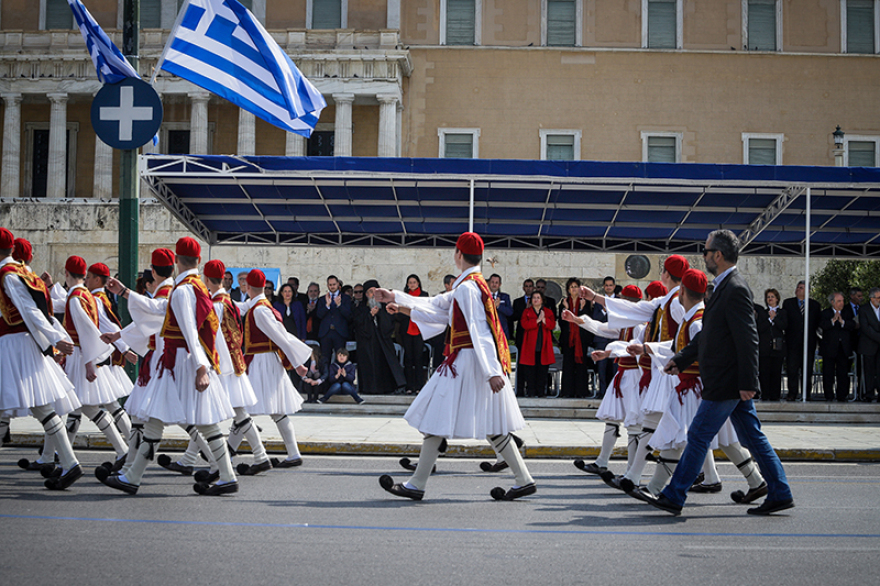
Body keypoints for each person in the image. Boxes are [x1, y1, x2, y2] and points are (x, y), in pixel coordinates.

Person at [640, 229, 794, 516]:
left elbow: (748, 339)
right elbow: (709, 336)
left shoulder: (735, 289)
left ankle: (674, 495)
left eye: (706, 251)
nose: (704, 256)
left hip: (728, 382)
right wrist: (682, 358)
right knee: (753, 438)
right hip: (729, 381)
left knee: (698, 435)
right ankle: (780, 491)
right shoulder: (723, 287)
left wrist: (749, 382)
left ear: (718, 256)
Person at [376, 232, 535, 501]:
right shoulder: (472, 284)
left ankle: (416, 484)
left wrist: (492, 372)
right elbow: (440, 308)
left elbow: (478, 329)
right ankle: (523, 480)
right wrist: (398, 301)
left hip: (467, 361)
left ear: (458, 254)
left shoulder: (467, 288)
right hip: (470, 361)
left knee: (436, 415)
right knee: (491, 424)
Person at [96, 238, 239, 496]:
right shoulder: (194, 286)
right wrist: (126, 293)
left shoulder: (184, 289)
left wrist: (200, 367)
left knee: (163, 419)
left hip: (180, 362)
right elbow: (161, 308)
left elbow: (188, 329)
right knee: (188, 421)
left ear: (176, 259)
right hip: (184, 361)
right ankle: (226, 476)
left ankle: (132, 476)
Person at [584, 255, 689, 489]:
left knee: (680, 430)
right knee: (663, 427)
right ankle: (638, 478)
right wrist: (596, 298)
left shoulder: (675, 302)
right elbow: (633, 308)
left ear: (666, 275)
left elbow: (685, 340)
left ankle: (645, 479)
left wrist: (647, 348)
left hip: (671, 372)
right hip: (663, 371)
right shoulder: (664, 301)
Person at [0, 228, 84, 490]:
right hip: (22, 343)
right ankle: (70, 463)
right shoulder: (25, 273)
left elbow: (30, 310)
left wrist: (54, 338)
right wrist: (54, 336)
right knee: (42, 408)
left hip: (15, 345)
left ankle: (71, 463)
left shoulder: (9, 276)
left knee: (42, 407)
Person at [565, 284, 644, 478]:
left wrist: (609, 352)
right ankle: (602, 462)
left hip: (635, 376)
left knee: (634, 425)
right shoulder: (626, 322)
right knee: (612, 417)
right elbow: (603, 329)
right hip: (624, 375)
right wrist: (578, 320)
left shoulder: (640, 325)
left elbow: (632, 347)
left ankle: (631, 473)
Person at [238, 269, 313, 469]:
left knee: (244, 408)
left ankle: (226, 453)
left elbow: (281, 336)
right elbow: (239, 306)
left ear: (247, 287)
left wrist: (297, 363)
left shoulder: (261, 310)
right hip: (262, 361)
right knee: (275, 411)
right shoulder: (257, 305)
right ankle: (293, 453)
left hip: (263, 362)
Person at [351, 279, 406, 395]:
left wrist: (380, 314)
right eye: (371, 292)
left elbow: (389, 324)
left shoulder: (385, 306)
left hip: (383, 341)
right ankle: (370, 389)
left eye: (376, 291)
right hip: (367, 343)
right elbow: (358, 325)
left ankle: (388, 388)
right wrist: (370, 315)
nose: (373, 294)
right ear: (366, 294)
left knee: (384, 364)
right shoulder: (360, 308)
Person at [782, 280, 821, 401]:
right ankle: (792, 393)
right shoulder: (788, 303)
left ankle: (806, 393)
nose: (798, 289)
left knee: (807, 369)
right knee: (792, 369)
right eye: (798, 287)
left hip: (808, 342)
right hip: (792, 342)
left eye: (802, 288)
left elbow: (817, 323)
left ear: (808, 291)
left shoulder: (815, 305)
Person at [558, 277, 593, 398]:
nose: (574, 289)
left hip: (581, 339)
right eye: (572, 287)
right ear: (568, 289)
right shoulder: (564, 302)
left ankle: (581, 391)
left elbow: (587, 321)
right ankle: (567, 391)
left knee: (580, 365)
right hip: (568, 339)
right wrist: (566, 309)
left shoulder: (585, 302)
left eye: (576, 286)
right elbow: (562, 323)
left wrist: (582, 309)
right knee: (568, 366)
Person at [517, 291, 556, 398]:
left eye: (538, 297)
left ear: (542, 300)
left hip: (543, 346)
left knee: (542, 372)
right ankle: (531, 392)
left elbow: (552, 325)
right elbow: (524, 324)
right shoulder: (527, 311)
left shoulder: (548, 312)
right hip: (530, 347)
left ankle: (541, 392)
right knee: (530, 372)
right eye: (534, 297)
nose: (536, 299)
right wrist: (537, 320)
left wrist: (544, 320)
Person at [820, 292, 855, 402]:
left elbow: (852, 325)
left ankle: (842, 395)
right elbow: (822, 326)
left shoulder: (847, 313)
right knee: (828, 373)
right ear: (832, 302)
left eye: (843, 301)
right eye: (839, 301)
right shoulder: (825, 313)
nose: (842, 303)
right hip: (829, 348)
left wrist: (842, 322)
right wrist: (833, 321)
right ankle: (829, 396)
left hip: (843, 348)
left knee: (843, 373)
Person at [396, 274, 429, 394]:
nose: (412, 284)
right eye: (410, 282)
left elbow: (426, 311)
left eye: (414, 282)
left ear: (418, 283)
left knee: (419, 359)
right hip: (407, 330)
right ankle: (409, 386)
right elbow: (399, 314)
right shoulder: (404, 296)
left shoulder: (424, 295)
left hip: (419, 331)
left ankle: (420, 386)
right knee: (408, 359)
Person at [756, 288, 788, 401]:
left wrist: (775, 319)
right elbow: (760, 327)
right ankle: (765, 394)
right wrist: (769, 320)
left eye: (772, 297)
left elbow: (784, 326)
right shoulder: (762, 313)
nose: (770, 299)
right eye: (768, 297)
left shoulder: (782, 313)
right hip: (765, 348)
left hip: (777, 347)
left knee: (776, 372)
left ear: (777, 299)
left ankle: (775, 395)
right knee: (764, 373)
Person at [591, 276, 619, 393]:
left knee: (614, 367)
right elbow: (595, 318)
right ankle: (602, 392)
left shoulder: (619, 300)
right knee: (601, 368)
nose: (608, 287)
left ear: (614, 286)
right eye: (606, 285)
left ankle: (614, 392)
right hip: (601, 338)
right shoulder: (598, 301)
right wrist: (604, 310)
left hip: (615, 338)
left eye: (610, 285)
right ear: (604, 287)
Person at [858, 288, 880, 402]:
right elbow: (866, 328)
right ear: (872, 298)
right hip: (868, 345)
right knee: (869, 371)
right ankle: (869, 394)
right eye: (878, 298)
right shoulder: (864, 309)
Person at [842, 287, 863, 398]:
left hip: (861, 343)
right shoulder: (845, 309)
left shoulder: (863, 309)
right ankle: (844, 393)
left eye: (861, 296)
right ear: (852, 296)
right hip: (848, 342)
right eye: (858, 296)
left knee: (861, 369)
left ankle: (860, 392)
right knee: (845, 369)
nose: (861, 298)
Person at [511, 278, 535, 351]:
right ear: (523, 288)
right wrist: (525, 311)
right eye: (526, 286)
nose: (528, 288)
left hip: (534, 331)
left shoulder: (537, 300)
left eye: (530, 286)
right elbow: (514, 317)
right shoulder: (517, 302)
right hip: (521, 332)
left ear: (533, 288)